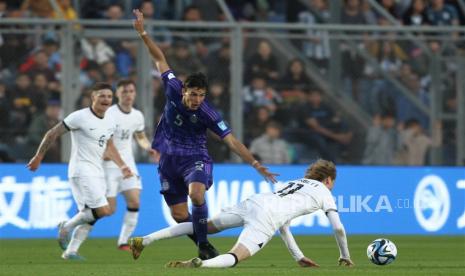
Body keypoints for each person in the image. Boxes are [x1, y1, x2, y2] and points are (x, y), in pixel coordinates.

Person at [132, 9, 278, 260]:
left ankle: (202, 245)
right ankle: (203, 242)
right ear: (184, 91)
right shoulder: (172, 87)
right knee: (179, 215)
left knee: (196, 194)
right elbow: (160, 58)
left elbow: (231, 140)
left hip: (195, 157)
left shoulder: (209, 113)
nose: (197, 99)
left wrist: (255, 163)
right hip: (168, 160)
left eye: (201, 95)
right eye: (193, 94)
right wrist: (143, 33)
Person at [129, 159, 354, 269]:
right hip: (267, 216)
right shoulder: (325, 191)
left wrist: (298, 256)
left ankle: (145, 239)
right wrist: (345, 254)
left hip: (255, 201)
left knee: (204, 227)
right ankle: (201, 264)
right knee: (236, 256)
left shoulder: (296, 182)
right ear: (328, 180)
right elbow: (337, 227)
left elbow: (283, 224)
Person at [27, 82, 133, 260]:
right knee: (104, 210)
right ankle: (66, 226)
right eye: (102, 96)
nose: (106, 99)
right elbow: (52, 133)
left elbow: (109, 145)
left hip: (97, 170)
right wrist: (38, 156)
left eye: (108, 96)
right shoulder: (79, 117)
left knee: (91, 216)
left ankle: (70, 251)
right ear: (93, 97)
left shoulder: (110, 120)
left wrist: (122, 165)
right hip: (81, 170)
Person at [104, 79, 157, 250]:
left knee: (134, 201)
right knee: (108, 210)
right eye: (124, 91)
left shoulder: (137, 115)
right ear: (117, 94)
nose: (128, 94)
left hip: (129, 164)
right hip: (109, 165)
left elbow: (140, 136)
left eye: (131, 91)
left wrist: (148, 147)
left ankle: (123, 241)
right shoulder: (109, 114)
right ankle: (79, 219)